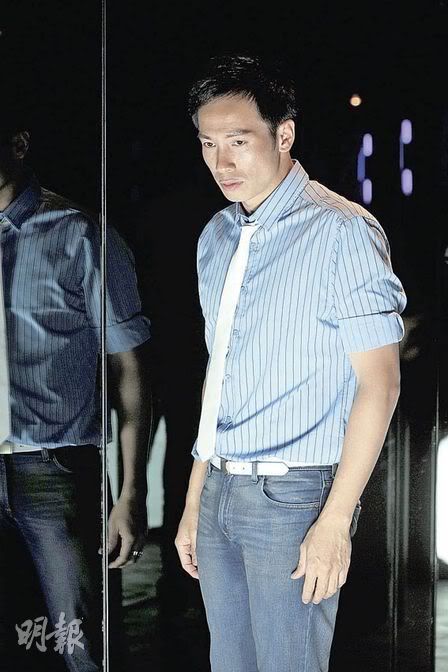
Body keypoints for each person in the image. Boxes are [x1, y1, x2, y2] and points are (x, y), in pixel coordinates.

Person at [175, 54, 407, 672]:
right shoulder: (216, 236)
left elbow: (380, 386)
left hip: (295, 495)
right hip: (220, 485)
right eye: (208, 144)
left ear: (284, 134)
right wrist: (196, 499)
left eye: (237, 141)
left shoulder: (341, 232)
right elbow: (220, 375)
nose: (221, 163)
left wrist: (335, 520)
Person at [0, 113, 152, 672]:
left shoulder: (80, 233)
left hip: (55, 470)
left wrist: (130, 492)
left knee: (82, 647)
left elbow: (130, 367)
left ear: (19, 143)